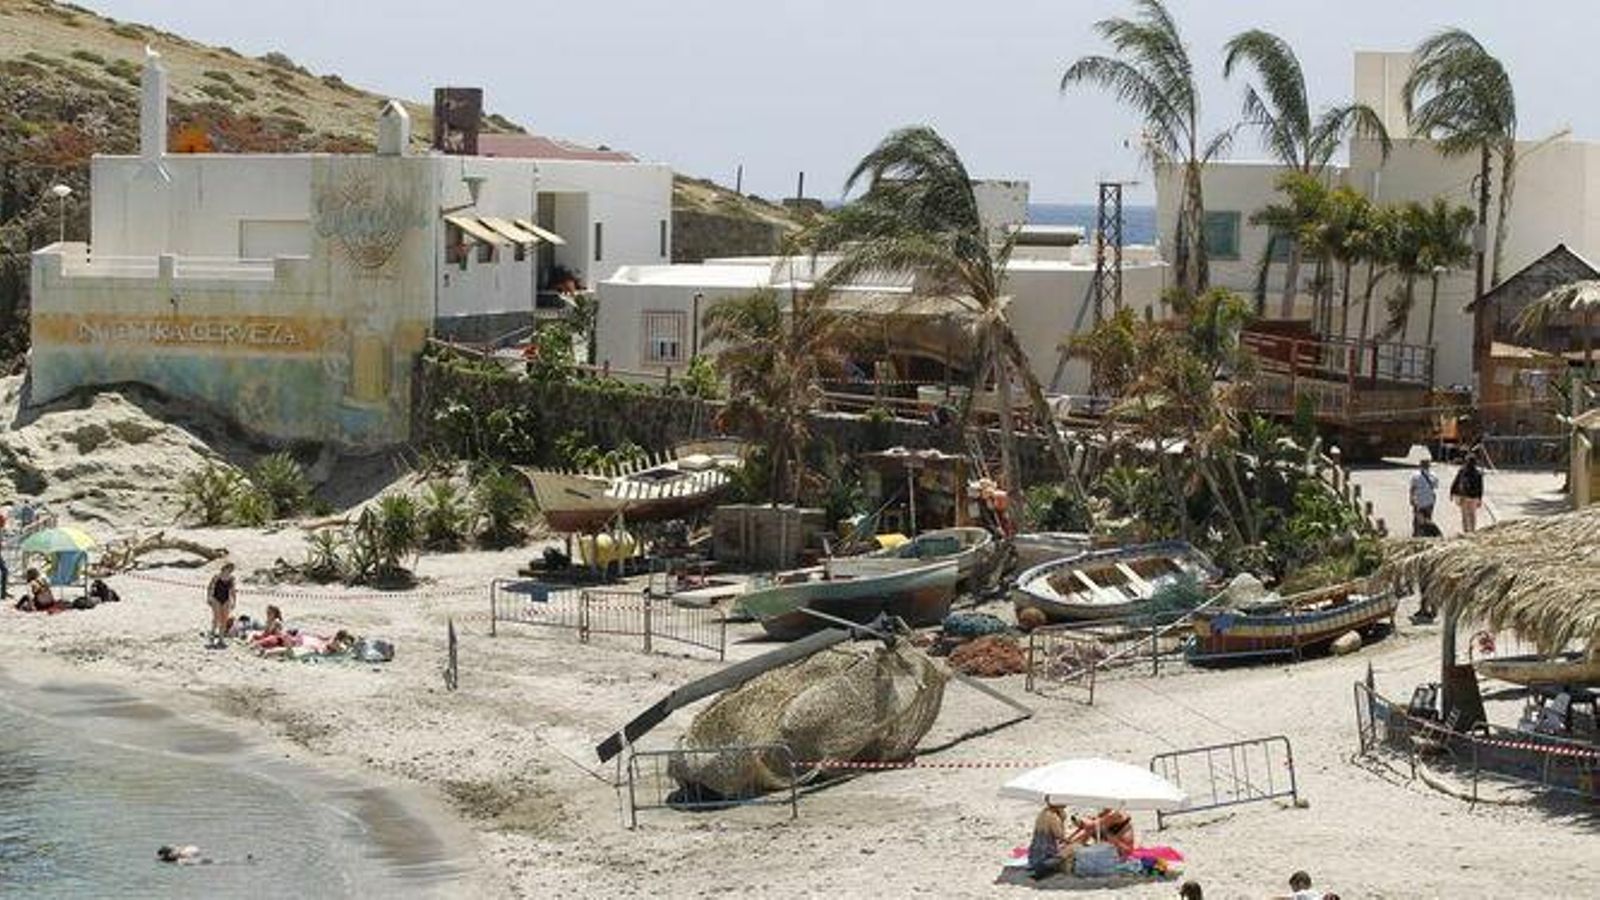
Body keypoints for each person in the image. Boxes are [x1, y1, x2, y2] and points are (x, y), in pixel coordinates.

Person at [1027, 802, 1069, 877]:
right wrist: (1062, 821)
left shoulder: (1042, 813)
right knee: (1065, 856)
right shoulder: (1053, 817)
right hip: (1046, 856)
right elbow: (1060, 836)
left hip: (1033, 856)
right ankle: (1043, 867)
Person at [1450, 452, 1485, 534]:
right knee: (1472, 514)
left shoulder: (1462, 471)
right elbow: (1481, 487)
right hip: (1474, 497)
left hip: (1464, 496)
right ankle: (1472, 530)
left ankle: (1465, 531)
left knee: (1464, 515)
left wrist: (1452, 492)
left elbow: (1456, 481)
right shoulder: (1478, 473)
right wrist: (1480, 499)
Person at [206, 563, 237, 649]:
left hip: (226, 599)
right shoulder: (216, 576)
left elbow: (233, 590)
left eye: (232, 569)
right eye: (229, 568)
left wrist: (234, 601)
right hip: (216, 599)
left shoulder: (231, 578)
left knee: (224, 619)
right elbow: (210, 587)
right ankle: (212, 633)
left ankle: (221, 638)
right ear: (225, 568)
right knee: (216, 618)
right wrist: (209, 597)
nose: (230, 570)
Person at [1409, 458, 1439, 537]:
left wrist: (1411, 498)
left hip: (1419, 501)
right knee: (1428, 518)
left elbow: (1412, 488)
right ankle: (1427, 534)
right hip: (1429, 500)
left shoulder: (1415, 475)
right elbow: (1435, 486)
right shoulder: (1434, 475)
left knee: (1417, 519)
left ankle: (1416, 534)